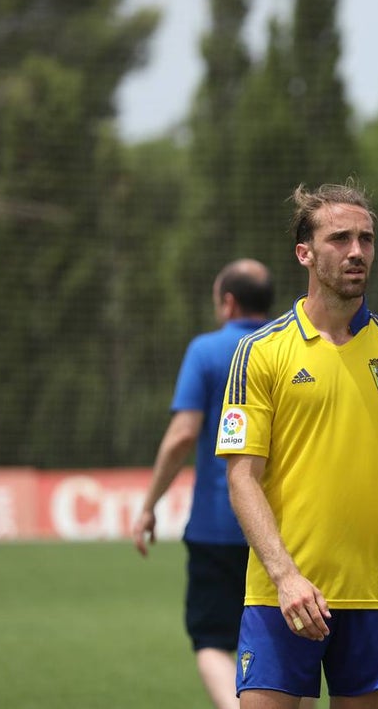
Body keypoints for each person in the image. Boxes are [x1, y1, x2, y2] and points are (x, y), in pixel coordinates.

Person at [216, 182, 378, 709]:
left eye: (366, 239)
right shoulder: (260, 351)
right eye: (340, 238)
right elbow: (242, 477)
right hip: (282, 593)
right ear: (305, 253)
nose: (356, 251)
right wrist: (284, 575)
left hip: (374, 594)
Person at [131, 258, 274, 709]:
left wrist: (149, 504)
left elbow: (182, 435)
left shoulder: (207, 351)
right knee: (287, 647)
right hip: (285, 527)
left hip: (219, 526)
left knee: (212, 641)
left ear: (228, 303)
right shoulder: (288, 347)